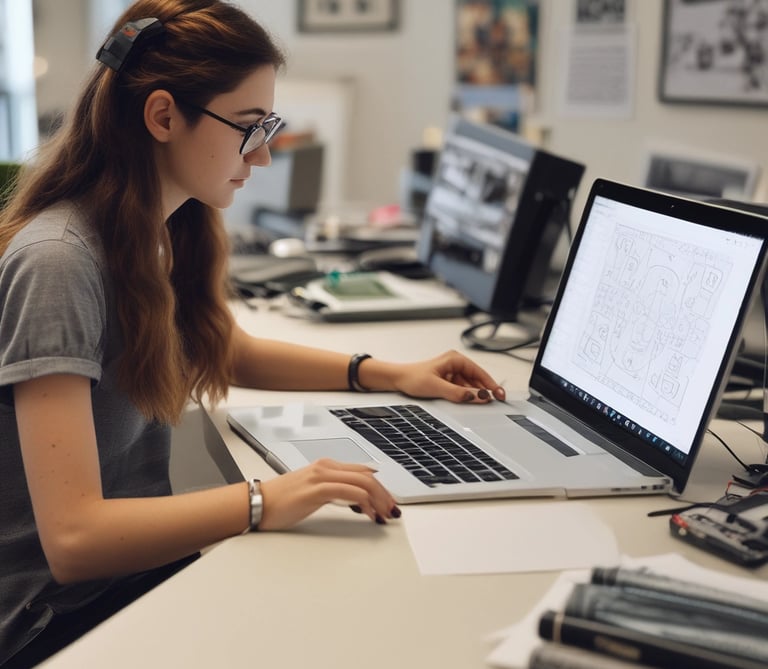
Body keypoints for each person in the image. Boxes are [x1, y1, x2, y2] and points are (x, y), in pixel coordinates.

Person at [0, 0, 506, 665]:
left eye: (267, 125)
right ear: (161, 116)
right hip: (52, 619)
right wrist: (267, 498)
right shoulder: (59, 262)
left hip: (125, 579)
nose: (263, 156)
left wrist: (388, 371)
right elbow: (73, 537)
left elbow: (219, 349)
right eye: (246, 127)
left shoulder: (154, 225)